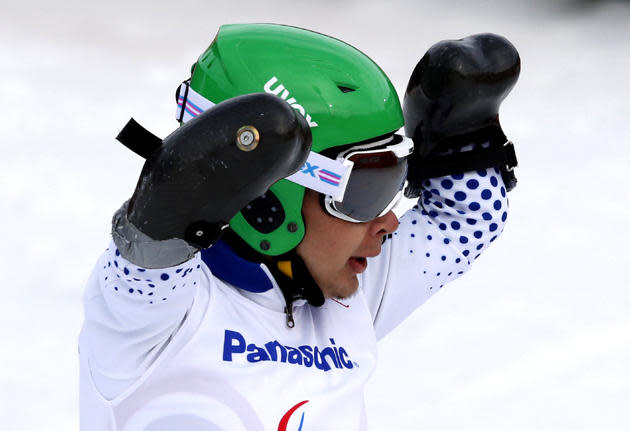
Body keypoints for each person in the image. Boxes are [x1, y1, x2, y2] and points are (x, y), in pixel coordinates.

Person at [79, 23, 520, 430]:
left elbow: (465, 219)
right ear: (267, 197)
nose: (387, 221)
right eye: (365, 191)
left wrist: (457, 134)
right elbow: (148, 256)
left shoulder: (346, 295)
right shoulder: (155, 316)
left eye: (395, 178)